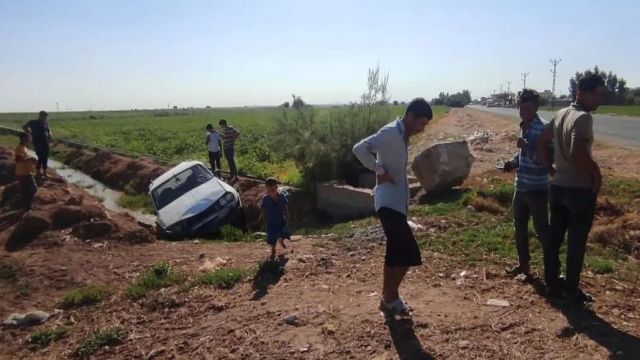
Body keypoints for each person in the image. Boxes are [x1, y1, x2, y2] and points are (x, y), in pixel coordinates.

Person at [352, 98, 433, 317]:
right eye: (421, 123)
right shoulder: (389, 133)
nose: (422, 129)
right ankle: (390, 297)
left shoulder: (402, 136)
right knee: (409, 252)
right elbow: (359, 148)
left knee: (396, 252)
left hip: (397, 203)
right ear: (410, 117)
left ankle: (388, 298)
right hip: (387, 201)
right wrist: (378, 169)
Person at [538, 74, 606, 305]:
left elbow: (542, 139)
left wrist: (550, 167)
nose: (599, 98)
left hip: (557, 186)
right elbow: (578, 153)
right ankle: (570, 291)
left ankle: (552, 283)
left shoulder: (561, 114)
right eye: (596, 93)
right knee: (576, 243)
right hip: (578, 189)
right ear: (582, 93)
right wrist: (596, 174)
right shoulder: (583, 118)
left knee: (554, 239)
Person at [502, 89, 550, 278]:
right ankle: (523, 266)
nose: (524, 112)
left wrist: (527, 146)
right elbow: (522, 154)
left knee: (542, 231)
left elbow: (545, 160)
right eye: (521, 108)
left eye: (528, 108)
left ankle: (551, 272)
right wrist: (512, 163)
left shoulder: (544, 128)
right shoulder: (524, 125)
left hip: (537, 188)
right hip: (521, 186)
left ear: (537, 107)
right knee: (519, 228)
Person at [261, 177, 291, 260]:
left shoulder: (282, 196)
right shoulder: (265, 199)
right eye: (269, 191)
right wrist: (264, 220)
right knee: (272, 237)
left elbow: (285, 207)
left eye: (273, 190)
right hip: (271, 221)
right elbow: (263, 210)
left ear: (276, 187)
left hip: (281, 219)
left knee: (285, 233)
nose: (271, 193)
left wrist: (288, 216)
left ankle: (281, 240)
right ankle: (273, 249)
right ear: (266, 189)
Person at [22, 111, 52, 179]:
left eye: (46, 117)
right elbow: (24, 127)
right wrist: (29, 133)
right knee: (40, 156)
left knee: (46, 156)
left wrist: (49, 134)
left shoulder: (45, 123)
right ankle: (38, 172)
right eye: (44, 116)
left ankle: (45, 173)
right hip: (37, 142)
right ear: (40, 116)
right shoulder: (33, 122)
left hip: (45, 142)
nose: (45, 118)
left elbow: (48, 130)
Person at [15, 132, 38, 210]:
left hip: (25, 172)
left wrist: (32, 161)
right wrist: (30, 159)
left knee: (25, 190)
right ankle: (28, 205)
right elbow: (18, 159)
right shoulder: (19, 148)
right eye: (29, 138)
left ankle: (26, 206)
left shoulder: (24, 148)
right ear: (24, 139)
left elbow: (24, 159)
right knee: (33, 189)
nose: (30, 139)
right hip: (24, 173)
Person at [219, 119, 240, 183]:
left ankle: (235, 175)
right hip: (226, 148)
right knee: (230, 161)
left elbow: (237, 133)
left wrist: (233, 139)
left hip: (229, 148)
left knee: (231, 161)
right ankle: (232, 174)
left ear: (223, 124)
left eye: (221, 125)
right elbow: (225, 138)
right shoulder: (225, 130)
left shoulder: (230, 128)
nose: (221, 127)